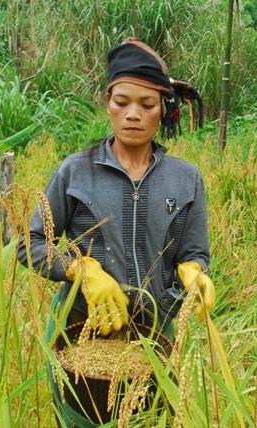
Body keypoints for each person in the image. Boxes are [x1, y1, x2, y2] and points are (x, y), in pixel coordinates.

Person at [18, 38, 215, 426]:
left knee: (150, 418)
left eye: (146, 105)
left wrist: (194, 271)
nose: (132, 115)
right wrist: (80, 269)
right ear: (107, 102)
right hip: (82, 329)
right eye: (121, 102)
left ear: (164, 110)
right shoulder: (75, 172)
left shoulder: (185, 178)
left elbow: (195, 252)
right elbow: (30, 245)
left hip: (154, 330)